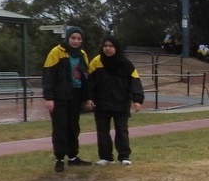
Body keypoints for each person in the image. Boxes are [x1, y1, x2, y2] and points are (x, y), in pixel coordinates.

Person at [42, 26, 94, 172]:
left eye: (79, 39)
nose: (76, 41)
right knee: (60, 127)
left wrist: (88, 97)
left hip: (76, 95)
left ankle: (73, 157)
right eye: (73, 38)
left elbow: (86, 77)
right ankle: (59, 158)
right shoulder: (56, 52)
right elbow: (48, 75)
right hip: (60, 97)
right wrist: (49, 97)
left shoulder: (82, 54)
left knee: (73, 127)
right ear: (67, 38)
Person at [88, 35, 144, 166]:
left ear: (116, 48)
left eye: (111, 46)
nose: (108, 49)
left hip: (121, 102)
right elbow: (89, 82)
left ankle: (124, 156)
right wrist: (89, 98)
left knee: (121, 131)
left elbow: (135, 82)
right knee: (102, 132)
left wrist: (137, 100)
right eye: (105, 46)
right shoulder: (96, 62)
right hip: (101, 103)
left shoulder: (126, 63)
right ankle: (106, 157)